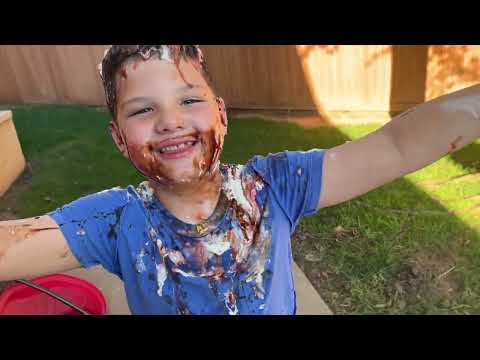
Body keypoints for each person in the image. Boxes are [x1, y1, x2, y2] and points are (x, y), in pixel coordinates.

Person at [0, 45, 479, 315]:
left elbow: (397, 145)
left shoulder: (277, 186)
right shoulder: (113, 220)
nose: (170, 121)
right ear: (120, 138)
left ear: (222, 116)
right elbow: (13, 248)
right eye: (143, 110)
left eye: (190, 101)